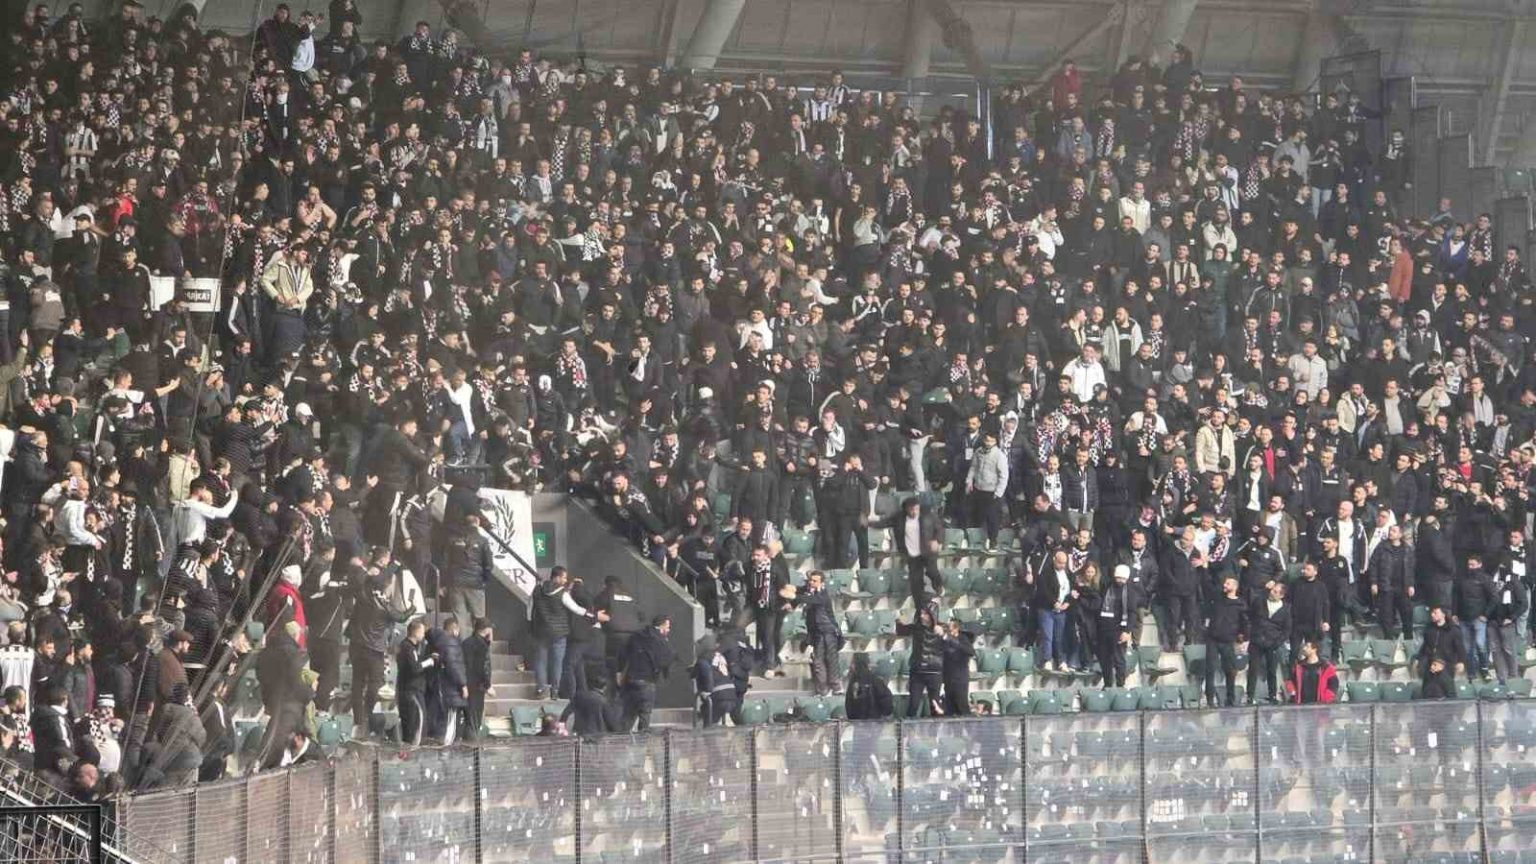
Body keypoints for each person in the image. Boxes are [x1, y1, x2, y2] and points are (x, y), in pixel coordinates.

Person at [878, 496, 944, 605]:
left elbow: (940, 528)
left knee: (932, 570)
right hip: (912, 554)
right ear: (906, 509)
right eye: (912, 509)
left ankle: (939, 586)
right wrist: (869, 523)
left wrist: (937, 540)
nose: (914, 512)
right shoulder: (899, 518)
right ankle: (920, 603)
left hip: (927, 550)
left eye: (916, 509)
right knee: (916, 579)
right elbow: (884, 523)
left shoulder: (927, 515)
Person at [618, 616, 675, 732]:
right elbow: (667, 659)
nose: (668, 630)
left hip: (631, 679)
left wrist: (619, 672)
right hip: (647, 681)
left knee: (628, 713)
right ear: (662, 626)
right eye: (668, 627)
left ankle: (621, 738)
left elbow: (623, 654)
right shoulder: (660, 640)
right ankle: (642, 739)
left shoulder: (636, 636)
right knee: (645, 713)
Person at [796, 570, 844, 696]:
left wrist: (794, 596)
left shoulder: (822, 595)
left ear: (822, 583)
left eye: (815, 581)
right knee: (818, 662)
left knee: (831, 660)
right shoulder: (811, 593)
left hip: (829, 632)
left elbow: (812, 600)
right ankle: (823, 689)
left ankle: (836, 687)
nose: (811, 583)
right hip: (818, 633)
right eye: (810, 580)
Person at [1204, 575, 1247, 708]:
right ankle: (1210, 699)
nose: (1225, 585)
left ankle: (1230, 698)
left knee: (1230, 670)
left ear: (1235, 587)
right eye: (1225, 583)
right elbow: (1208, 587)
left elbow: (1244, 623)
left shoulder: (1240, 604)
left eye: (1228, 584)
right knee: (1210, 669)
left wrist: (1242, 638)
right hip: (1213, 638)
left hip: (1228, 640)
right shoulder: (1218, 598)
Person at [1247, 581, 1291, 705]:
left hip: (1273, 642)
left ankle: (1272, 695)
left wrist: (1277, 642)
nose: (1272, 593)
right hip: (1257, 640)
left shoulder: (1286, 609)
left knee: (1272, 670)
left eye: (1276, 592)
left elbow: (1287, 629)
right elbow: (1250, 616)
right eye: (1272, 590)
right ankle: (1250, 696)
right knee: (1253, 669)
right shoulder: (1260, 601)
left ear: (1281, 595)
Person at [898, 606, 945, 717]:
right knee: (913, 704)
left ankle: (936, 727)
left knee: (935, 705)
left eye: (925, 614)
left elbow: (959, 638)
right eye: (921, 613)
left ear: (932, 615)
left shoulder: (942, 628)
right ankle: (909, 727)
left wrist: (944, 634)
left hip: (934, 671)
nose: (922, 616)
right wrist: (899, 620)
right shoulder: (916, 628)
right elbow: (901, 631)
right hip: (918, 671)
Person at [395, 619, 433, 746]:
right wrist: (428, 662)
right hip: (411, 690)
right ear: (415, 632)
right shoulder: (407, 647)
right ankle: (414, 748)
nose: (423, 635)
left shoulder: (412, 647)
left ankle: (410, 747)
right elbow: (414, 668)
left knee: (413, 721)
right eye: (422, 632)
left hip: (412, 689)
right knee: (417, 720)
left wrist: (428, 657)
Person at [1417, 605, 1466, 699]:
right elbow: (1425, 647)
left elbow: (1460, 648)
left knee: (1447, 692)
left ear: (1443, 615)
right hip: (1430, 665)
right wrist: (1419, 659)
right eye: (1432, 612)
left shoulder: (1454, 630)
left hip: (1447, 665)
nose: (1432, 615)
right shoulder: (1429, 629)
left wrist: (1461, 662)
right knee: (1427, 691)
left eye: (1435, 613)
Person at [461, 618, 495, 740]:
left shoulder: (466, 642)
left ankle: (468, 741)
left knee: (469, 716)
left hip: (467, 683)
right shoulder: (482, 645)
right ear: (486, 630)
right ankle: (473, 744)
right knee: (475, 718)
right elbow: (482, 667)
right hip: (477, 686)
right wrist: (488, 685)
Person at [1285, 640, 1339, 704]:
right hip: (1301, 705)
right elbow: (1290, 681)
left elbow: (1333, 684)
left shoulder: (1326, 667)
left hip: (1320, 705)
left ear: (1314, 649)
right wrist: (1293, 693)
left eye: (1307, 646)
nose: (1304, 649)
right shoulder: (1298, 666)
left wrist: (1325, 698)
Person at [940, 618, 976, 716]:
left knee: (961, 704)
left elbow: (970, 652)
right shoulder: (944, 641)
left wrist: (952, 641)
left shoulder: (963, 639)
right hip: (948, 677)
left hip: (960, 678)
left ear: (956, 629)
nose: (948, 630)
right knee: (949, 706)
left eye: (950, 628)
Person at [843, 653, 895, 720]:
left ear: (857, 663)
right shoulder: (875, 680)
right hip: (874, 721)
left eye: (852, 662)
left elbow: (849, 706)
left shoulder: (853, 682)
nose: (850, 665)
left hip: (857, 722)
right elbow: (887, 701)